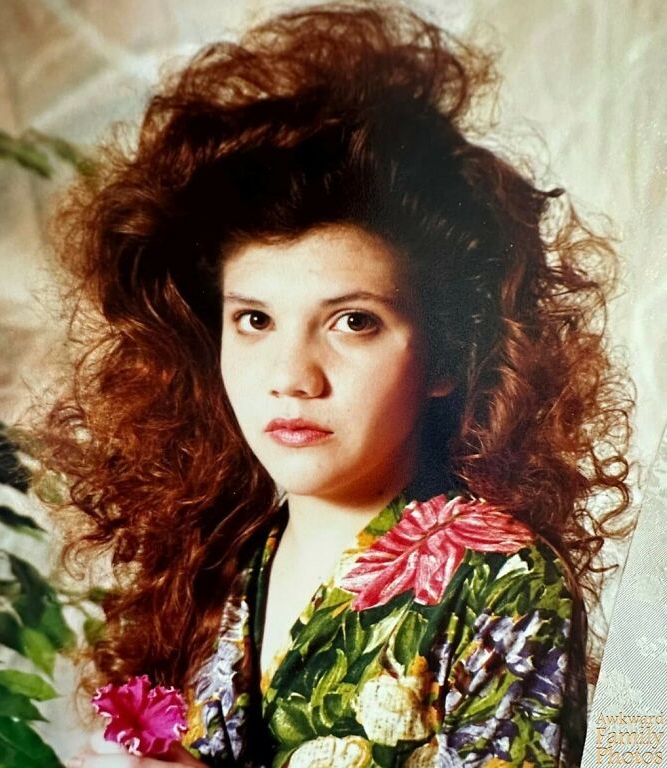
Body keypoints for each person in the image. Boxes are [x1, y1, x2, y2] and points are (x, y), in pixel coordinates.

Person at [34, 2, 633, 767]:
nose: (291, 377)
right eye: (254, 321)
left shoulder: (503, 582)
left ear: (449, 355)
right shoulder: (229, 553)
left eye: (353, 322)